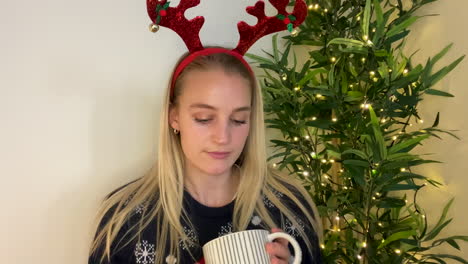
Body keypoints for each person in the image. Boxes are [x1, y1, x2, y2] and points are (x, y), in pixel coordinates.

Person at [88, 48, 323, 264]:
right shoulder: (126, 219)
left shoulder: (289, 207)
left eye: (238, 120)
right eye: (203, 118)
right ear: (174, 117)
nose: (222, 137)